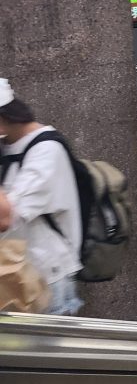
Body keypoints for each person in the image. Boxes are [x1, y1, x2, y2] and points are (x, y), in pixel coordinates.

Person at [0, 79, 83, 315]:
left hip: (45, 278)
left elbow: (5, 218)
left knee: (52, 351)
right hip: (12, 271)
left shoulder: (46, 151)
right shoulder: (8, 145)